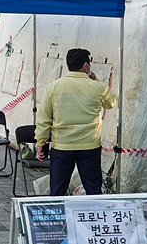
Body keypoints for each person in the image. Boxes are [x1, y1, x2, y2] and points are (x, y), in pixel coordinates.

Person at [34, 48, 119, 196]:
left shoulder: (52, 88)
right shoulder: (98, 87)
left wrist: (41, 143)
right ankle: (93, 217)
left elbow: (44, 119)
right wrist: (95, 79)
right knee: (93, 189)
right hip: (89, 145)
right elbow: (111, 103)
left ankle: (58, 217)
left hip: (62, 146)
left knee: (57, 191)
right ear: (86, 66)